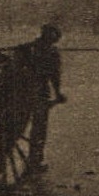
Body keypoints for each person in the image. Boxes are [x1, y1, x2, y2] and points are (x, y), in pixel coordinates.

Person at [16, 23, 67, 174]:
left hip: (22, 92)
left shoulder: (27, 48)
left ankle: (10, 148)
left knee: (20, 124)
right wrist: (58, 94)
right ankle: (34, 161)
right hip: (40, 94)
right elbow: (54, 76)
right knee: (39, 129)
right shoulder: (52, 53)